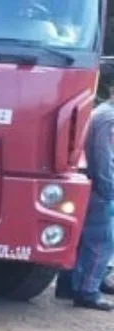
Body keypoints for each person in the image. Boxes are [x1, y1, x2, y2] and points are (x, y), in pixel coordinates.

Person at [60, 86, 114, 309]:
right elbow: (103, 157)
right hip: (100, 186)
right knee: (101, 241)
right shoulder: (109, 118)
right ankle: (87, 291)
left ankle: (68, 285)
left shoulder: (100, 112)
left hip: (90, 183)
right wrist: (109, 188)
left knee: (82, 239)